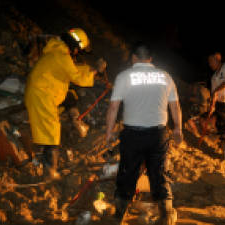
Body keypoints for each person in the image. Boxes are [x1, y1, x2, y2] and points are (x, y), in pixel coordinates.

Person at [105, 43, 182, 225]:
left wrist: (109, 132)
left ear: (133, 58)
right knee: (159, 173)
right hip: (158, 135)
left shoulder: (124, 77)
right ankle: (166, 215)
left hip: (132, 135)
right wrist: (178, 128)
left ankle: (119, 215)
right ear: (151, 58)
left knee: (127, 173)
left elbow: (114, 107)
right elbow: (175, 106)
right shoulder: (165, 76)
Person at [25, 28, 98, 179]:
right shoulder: (61, 56)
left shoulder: (58, 52)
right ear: (73, 46)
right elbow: (77, 77)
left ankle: (43, 156)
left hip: (44, 92)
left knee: (68, 101)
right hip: (42, 95)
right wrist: (95, 71)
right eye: (78, 50)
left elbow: (72, 68)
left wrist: (89, 69)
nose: (77, 53)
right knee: (52, 132)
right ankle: (50, 172)